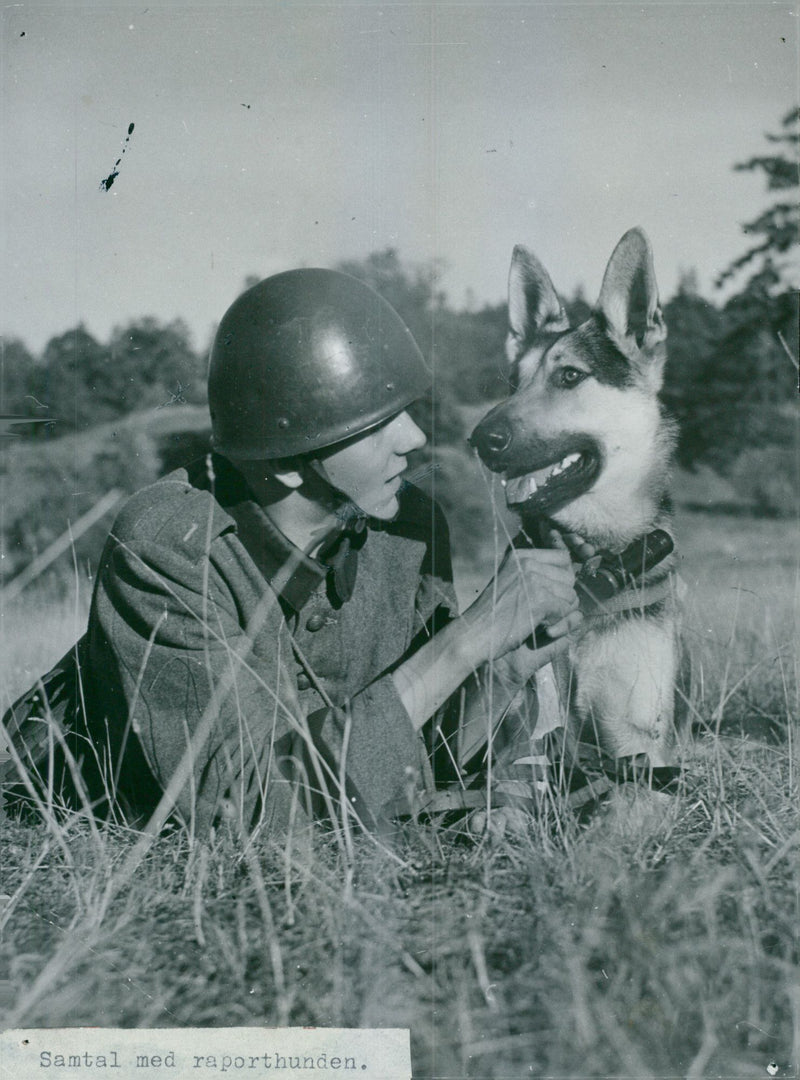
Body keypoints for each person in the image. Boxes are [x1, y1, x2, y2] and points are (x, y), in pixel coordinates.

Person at [5, 269, 582, 837]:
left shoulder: (409, 525)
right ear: (284, 460)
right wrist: (464, 644)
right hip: (70, 818)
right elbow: (251, 810)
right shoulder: (167, 548)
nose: (413, 438)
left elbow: (415, 753)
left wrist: (497, 673)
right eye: (377, 422)